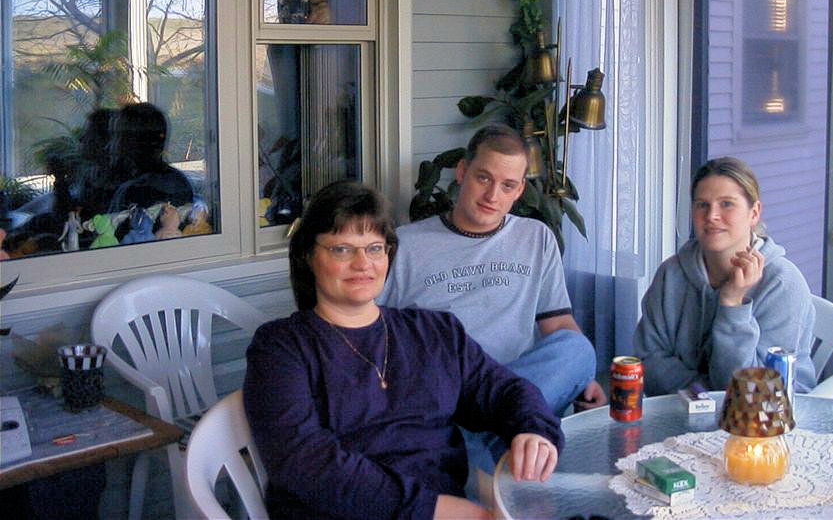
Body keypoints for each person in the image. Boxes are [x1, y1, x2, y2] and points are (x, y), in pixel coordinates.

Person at [244, 181, 562, 519]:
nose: (362, 263)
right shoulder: (280, 348)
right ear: (308, 256)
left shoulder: (434, 332)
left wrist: (534, 430)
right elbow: (306, 464)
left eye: (375, 248)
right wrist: (439, 510)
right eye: (341, 249)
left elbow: (505, 390)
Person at [378, 126, 607, 425]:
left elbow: (559, 324)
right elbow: (375, 336)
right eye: (483, 178)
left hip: (518, 382)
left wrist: (582, 378)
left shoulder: (536, 238)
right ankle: (506, 432)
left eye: (508, 185)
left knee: (578, 351)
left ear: (520, 190)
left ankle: (486, 436)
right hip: (447, 393)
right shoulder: (405, 244)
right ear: (462, 172)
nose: (492, 196)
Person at [633, 156, 816, 396]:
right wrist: (705, 394)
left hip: (773, 421)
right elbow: (648, 361)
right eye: (702, 205)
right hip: (680, 414)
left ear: (754, 213)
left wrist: (732, 305)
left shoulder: (782, 283)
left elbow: (752, 391)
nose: (712, 216)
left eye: (727, 204)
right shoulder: (671, 274)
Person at [107, 102, 193, 215]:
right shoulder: (177, 181)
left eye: (117, 136)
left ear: (135, 142)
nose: (110, 145)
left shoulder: (137, 191)